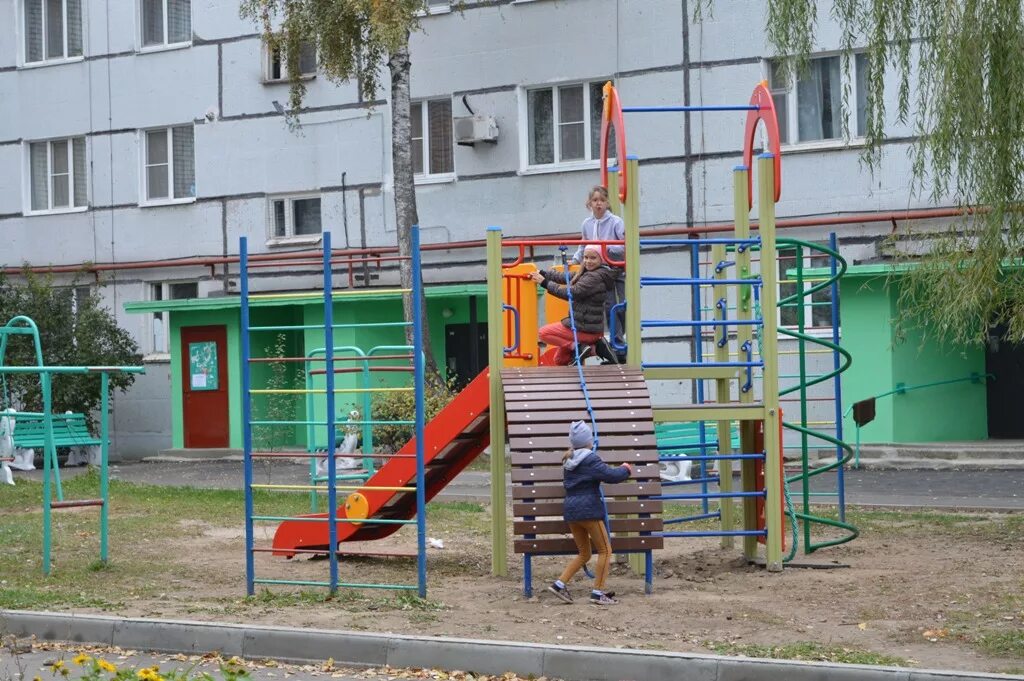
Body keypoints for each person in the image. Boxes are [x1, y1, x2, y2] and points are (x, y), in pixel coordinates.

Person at [548, 420, 632, 606]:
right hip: (589, 512)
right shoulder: (591, 459)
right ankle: (598, 592)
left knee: (584, 553)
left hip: (572, 512)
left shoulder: (568, 460)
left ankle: (559, 584)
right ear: (589, 441)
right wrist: (625, 469)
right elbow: (611, 476)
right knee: (605, 550)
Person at [530, 245, 615, 365]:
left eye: (593, 258)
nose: (588, 261)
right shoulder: (586, 272)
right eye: (585, 257)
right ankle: (595, 349)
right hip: (585, 327)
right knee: (560, 360)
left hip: (585, 329)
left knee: (543, 333)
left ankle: (578, 347)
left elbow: (571, 293)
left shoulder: (594, 277)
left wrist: (544, 283)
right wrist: (543, 273)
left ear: (601, 260)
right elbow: (564, 277)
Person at [571, 186, 626, 363]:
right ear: (589, 204)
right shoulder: (587, 224)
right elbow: (583, 244)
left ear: (607, 202)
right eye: (595, 200)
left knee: (620, 305)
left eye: (602, 200)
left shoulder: (616, 222)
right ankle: (611, 343)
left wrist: (604, 247)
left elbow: (624, 245)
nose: (599, 204)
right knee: (605, 306)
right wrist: (575, 260)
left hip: (614, 268)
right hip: (598, 272)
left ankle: (619, 340)